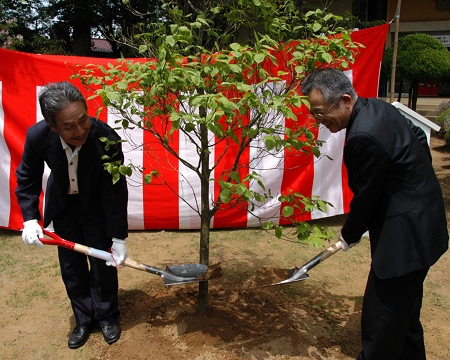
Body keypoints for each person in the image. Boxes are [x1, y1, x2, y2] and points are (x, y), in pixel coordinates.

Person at [301, 68, 448, 360]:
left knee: (381, 322)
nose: (318, 120)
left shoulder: (363, 136)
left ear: (345, 99)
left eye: (320, 112)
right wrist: (413, 180)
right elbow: (418, 136)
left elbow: (367, 198)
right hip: (424, 223)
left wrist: (348, 234)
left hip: (405, 240)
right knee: (404, 319)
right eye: (313, 114)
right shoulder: (377, 107)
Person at [15, 81, 129, 349]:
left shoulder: (105, 138)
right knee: (72, 266)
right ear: (52, 126)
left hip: (96, 205)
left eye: (83, 119)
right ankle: (83, 318)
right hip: (63, 205)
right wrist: (29, 218)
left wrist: (119, 238)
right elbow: (27, 177)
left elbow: (115, 191)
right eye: (68, 126)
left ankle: (107, 316)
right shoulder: (37, 137)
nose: (80, 131)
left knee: (102, 263)